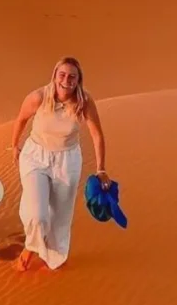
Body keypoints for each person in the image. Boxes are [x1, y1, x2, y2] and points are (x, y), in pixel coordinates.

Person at [10, 56, 110, 272]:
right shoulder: (38, 97)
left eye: (72, 76)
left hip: (67, 159)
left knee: (61, 216)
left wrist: (101, 169)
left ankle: (55, 260)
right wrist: (15, 145)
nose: (66, 80)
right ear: (54, 76)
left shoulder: (84, 101)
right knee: (37, 214)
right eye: (62, 75)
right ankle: (31, 246)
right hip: (36, 156)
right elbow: (21, 119)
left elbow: (97, 135)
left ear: (78, 80)